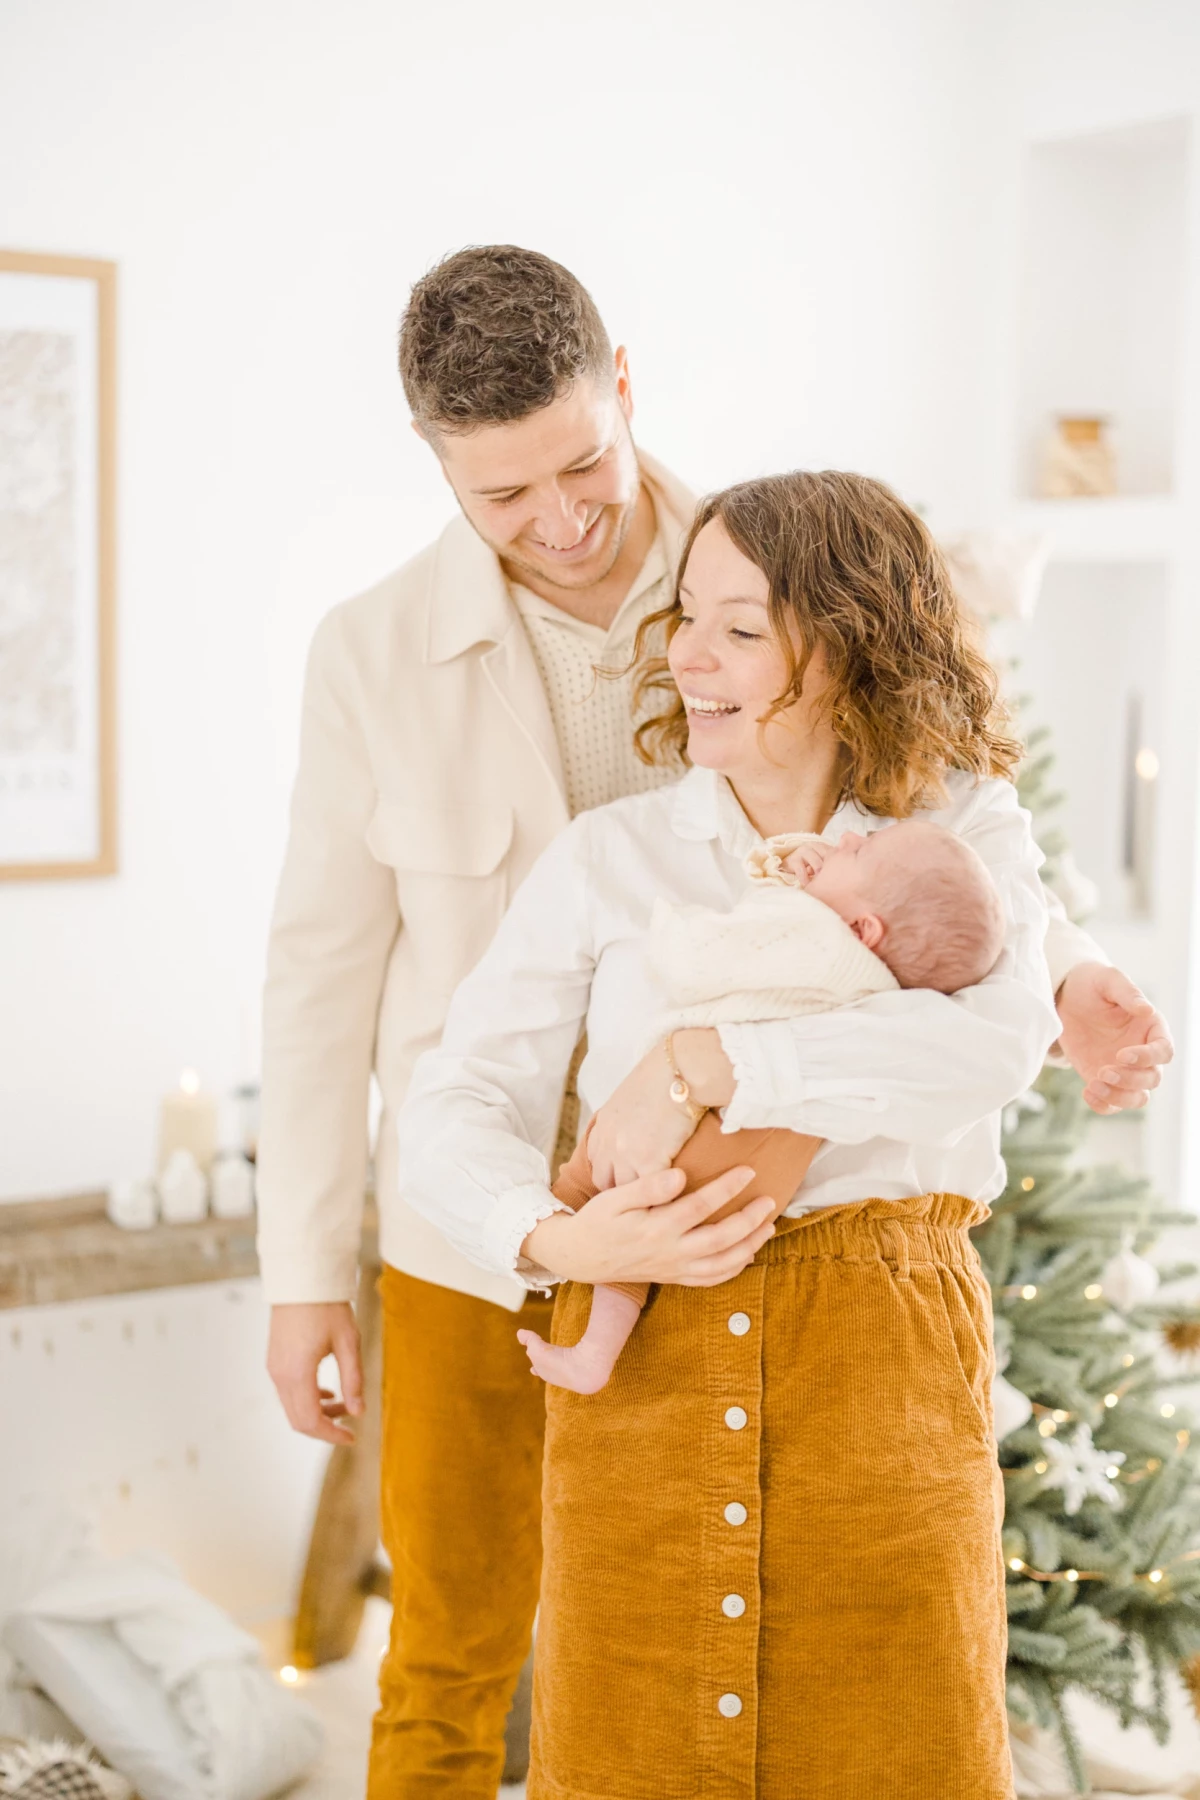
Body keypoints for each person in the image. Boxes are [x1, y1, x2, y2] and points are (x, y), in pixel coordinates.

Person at [255, 246, 1171, 1798]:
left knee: (827, 1690)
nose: (558, 522)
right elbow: (320, 971)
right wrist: (322, 1266)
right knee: (457, 1642)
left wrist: (1055, 973)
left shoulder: (769, 558)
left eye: (581, 467)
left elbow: (939, 855)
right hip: (495, 1230)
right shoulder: (377, 656)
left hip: (797, 1187)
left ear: (624, 387)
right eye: (502, 498)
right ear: (440, 473)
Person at [396, 468, 1070, 1793]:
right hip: (638, 1389)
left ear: (846, 642)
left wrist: (716, 1060)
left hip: (879, 1387)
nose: (687, 656)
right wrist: (550, 1229)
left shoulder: (964, 834)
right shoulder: (610, 861)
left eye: (738, 628)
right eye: (683, 619)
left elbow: (995, 1043)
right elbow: (453, 1101)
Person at [519, 813, 1007, 1393]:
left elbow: (729, 951)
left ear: (863, 931)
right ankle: (573, 1294)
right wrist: (809, 874)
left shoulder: (826, 957)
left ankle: (594, 1349)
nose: (846, 837)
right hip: (761, 1147)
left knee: (631, 1215)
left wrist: (716, 918)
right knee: (622, 1206)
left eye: (861, 851)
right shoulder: (870, 978)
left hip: (733, 1134)